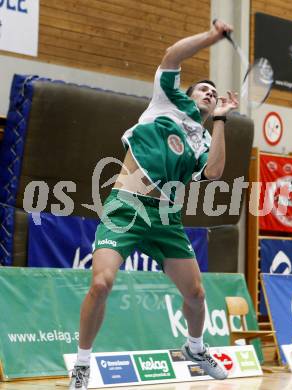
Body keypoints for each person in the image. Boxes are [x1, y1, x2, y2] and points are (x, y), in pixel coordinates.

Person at [69, 19, 239, 389]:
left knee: (195, 295)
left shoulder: (203, 142)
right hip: (126, 206)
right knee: (101, 283)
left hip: (165, 218)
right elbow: (171, 55)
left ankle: (195, 347)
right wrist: (212, 38)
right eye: (204, 90)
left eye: (214, 93)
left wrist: (222, 120)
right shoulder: (167, 101)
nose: (209, 93)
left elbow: (213, 174)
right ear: (188, 95)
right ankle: (82, 364)